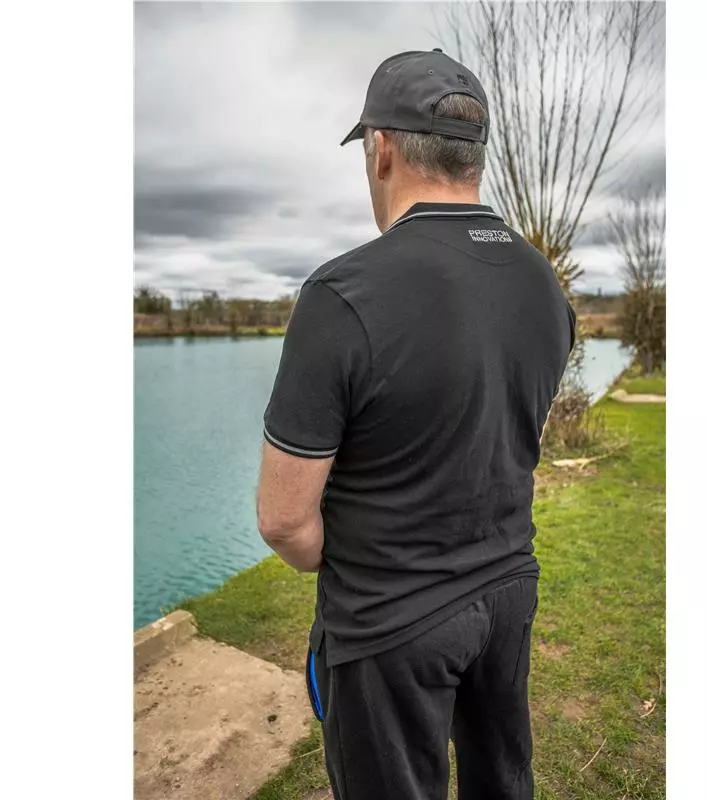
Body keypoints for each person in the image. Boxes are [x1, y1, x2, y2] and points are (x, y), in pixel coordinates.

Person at [256, 49, 575, 800]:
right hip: (508, 591)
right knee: (504, 783)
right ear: (475, 157)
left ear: (382, 150)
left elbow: (283, 520)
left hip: (388, 624)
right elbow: (507, 439)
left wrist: (357, 558)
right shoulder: (544, 285)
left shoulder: (342, 293)